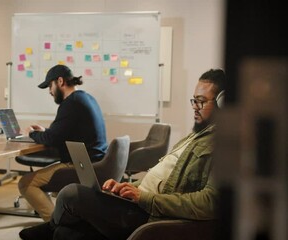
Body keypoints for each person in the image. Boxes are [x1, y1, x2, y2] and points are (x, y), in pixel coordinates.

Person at [19, 68, 226, 240]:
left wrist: (145, 198)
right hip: (138, 202)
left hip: (150, 214)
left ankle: (49, 227)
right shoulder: (194, 137)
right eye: (194, 101)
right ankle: (54, 229)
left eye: (201, 101)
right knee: (65, 234)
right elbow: (163, 178)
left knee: (71, 193)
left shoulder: (224, 145)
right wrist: (128, 188)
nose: (195, 108)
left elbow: (209, 203)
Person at [18, 64, 108, 222]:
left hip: (82, 166)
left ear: (60, 81)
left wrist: (32, 133)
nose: (50, 92)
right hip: (94, 162)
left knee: (25, 183)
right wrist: (44, 131)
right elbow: (60, 133)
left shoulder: (70, 104)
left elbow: (52, 139)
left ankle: (57, 224)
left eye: (50, 86)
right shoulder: (85, 98)